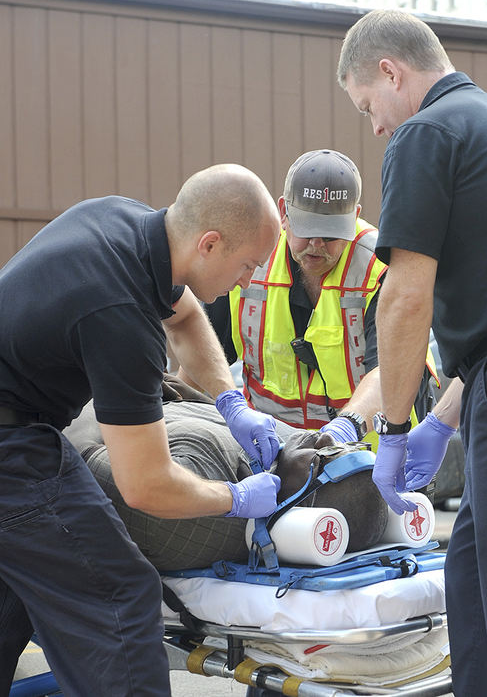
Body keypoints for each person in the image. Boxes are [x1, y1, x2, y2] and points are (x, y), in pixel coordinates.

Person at [337, 9, 487, 696]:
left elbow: (404, 299)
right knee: (475, 581)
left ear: (391, 71)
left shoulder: (427, 133)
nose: (376, 125)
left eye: (367, 105)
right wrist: (443, 419)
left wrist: (397, 426)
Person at [0, 164, 284, 695]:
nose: (249, 280)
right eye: (247, 264)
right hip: (12, 451)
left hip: (17, 427)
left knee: (20, 585)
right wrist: (235, 496)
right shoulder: (120, 313)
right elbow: (147, 484)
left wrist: (230, 402)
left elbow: (188, 316)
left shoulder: (122, 222)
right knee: (120, 596)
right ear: (210, 243)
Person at [193, 149, 438, 449]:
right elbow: (201, 353)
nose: (316, 245)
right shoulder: (249, 262)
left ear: (354, 217)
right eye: (306, 230)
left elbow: (392, 369)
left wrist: (347, 428)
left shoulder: (382, 269)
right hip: (274, 456)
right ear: (284, 212)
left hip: (375, 458)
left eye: (331, 234)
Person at [64, 374, 389, 571]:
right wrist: (205, 403)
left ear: (295, 507)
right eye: (348, 447)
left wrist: (124, 392)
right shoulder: (289, 452)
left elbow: (74, 453)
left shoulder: (183, 514)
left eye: (323, 458)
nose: (326, 436)